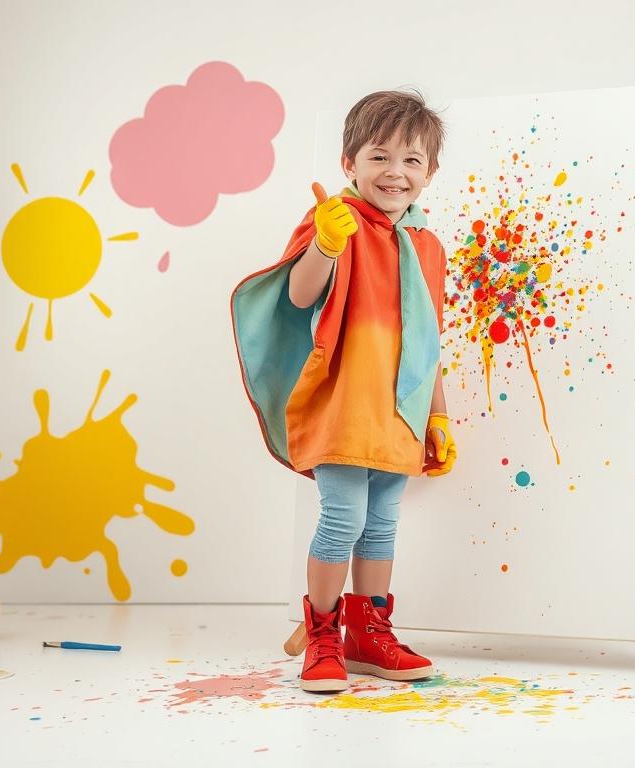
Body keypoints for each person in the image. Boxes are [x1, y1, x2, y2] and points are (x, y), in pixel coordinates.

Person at [231, 90, 457, 692]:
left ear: (430, 172)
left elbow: (430, 343)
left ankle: (368, 635)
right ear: (349, 162)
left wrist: (438, 417)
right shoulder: (336, 221)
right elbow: (300, 295)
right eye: (379, 156)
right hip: (345, 402)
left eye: (411, 160)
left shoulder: (428, 246)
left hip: (400, 409)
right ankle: (324, 636)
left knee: (381, 523)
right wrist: (325, 245)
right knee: (343, 517)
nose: (395, 172)